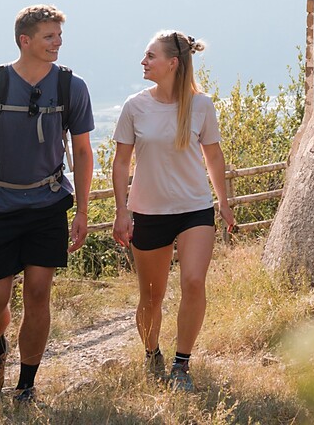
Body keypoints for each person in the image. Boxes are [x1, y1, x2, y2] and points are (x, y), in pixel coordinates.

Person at [0, 4, 95, 405]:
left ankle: (26, 386)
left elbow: (83, 153)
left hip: (48, 205)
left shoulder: (72, 87)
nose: (58, 43)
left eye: (59, 36)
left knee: (38, 293)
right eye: (50, 36)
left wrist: (82, 211)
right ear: (25, 40)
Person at [111, 31, 237, 393]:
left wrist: (223, 204)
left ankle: (182, 363)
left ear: (173, 64)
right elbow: (120, 164)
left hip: (194, 208)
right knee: (151, 296)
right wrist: (122, 211)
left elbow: (213, 156)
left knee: (194, 282)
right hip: (148, 212)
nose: (144, 62)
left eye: (150, 56)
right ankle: (153, 353)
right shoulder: (135, 106)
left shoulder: (202, 106)